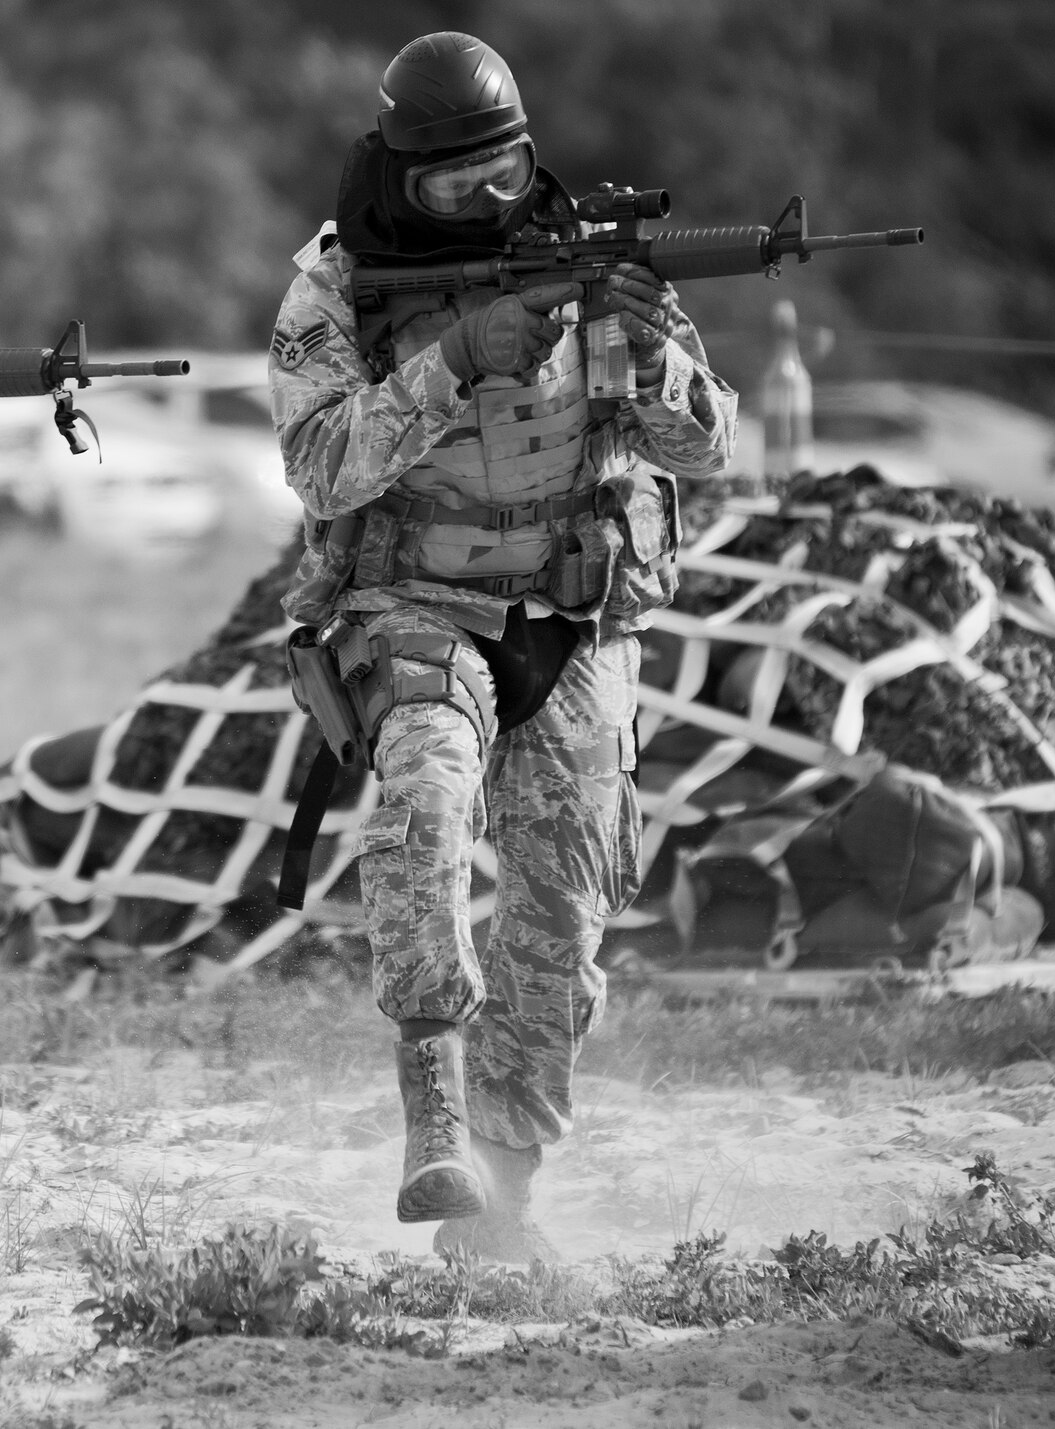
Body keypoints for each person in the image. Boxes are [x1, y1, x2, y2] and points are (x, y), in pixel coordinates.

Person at [270, 34, 735, 1259]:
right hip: (413, 607)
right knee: (419, 814)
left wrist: (649, 357)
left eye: (505, 171)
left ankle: (506, 1192)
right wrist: (449, 361)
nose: (487, 201)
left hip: (574, 615)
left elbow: (704, 451)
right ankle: (435, 1120)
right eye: (452, 185)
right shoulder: (334, 287)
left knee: (564, 907)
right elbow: (319, 469)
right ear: (396, 176)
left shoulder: (596, 261)